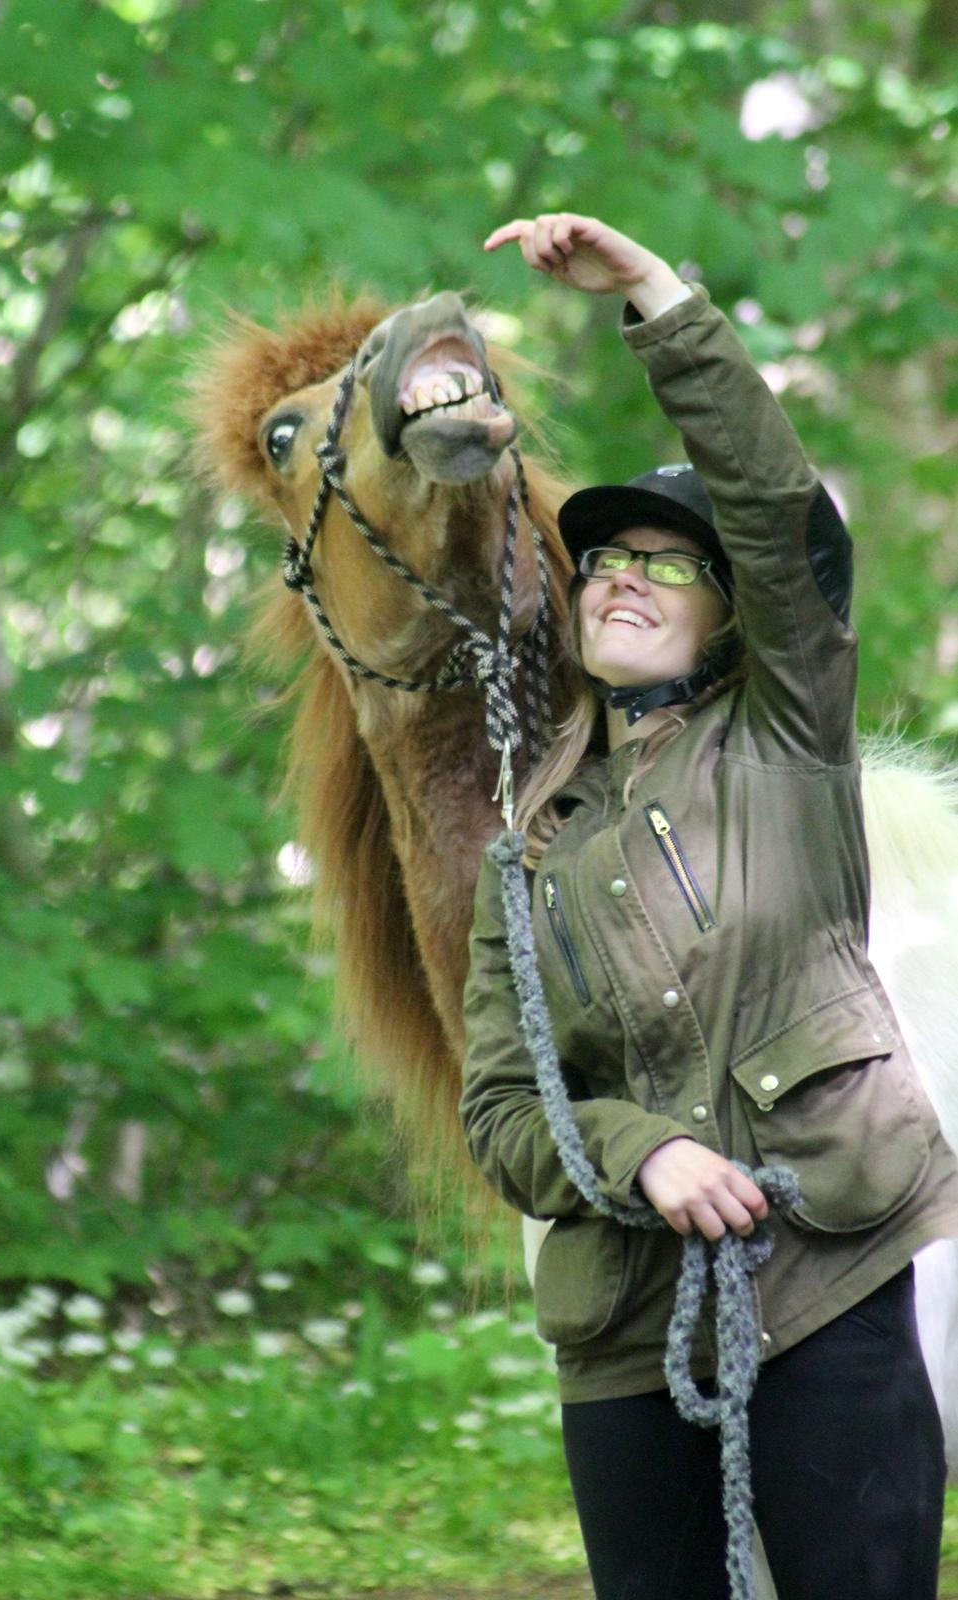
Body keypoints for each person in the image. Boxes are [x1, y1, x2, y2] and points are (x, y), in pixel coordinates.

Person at [460, 211, 958, 1600]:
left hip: (826, 1289)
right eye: (605, 559)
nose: (620, 572)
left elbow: (772, 505)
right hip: (624, 1340)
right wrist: (640, 1155)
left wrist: (654, 300)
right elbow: (505, 1118)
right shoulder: (525, 856)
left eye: (666, 561)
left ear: (736, 615)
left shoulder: (787, 744)